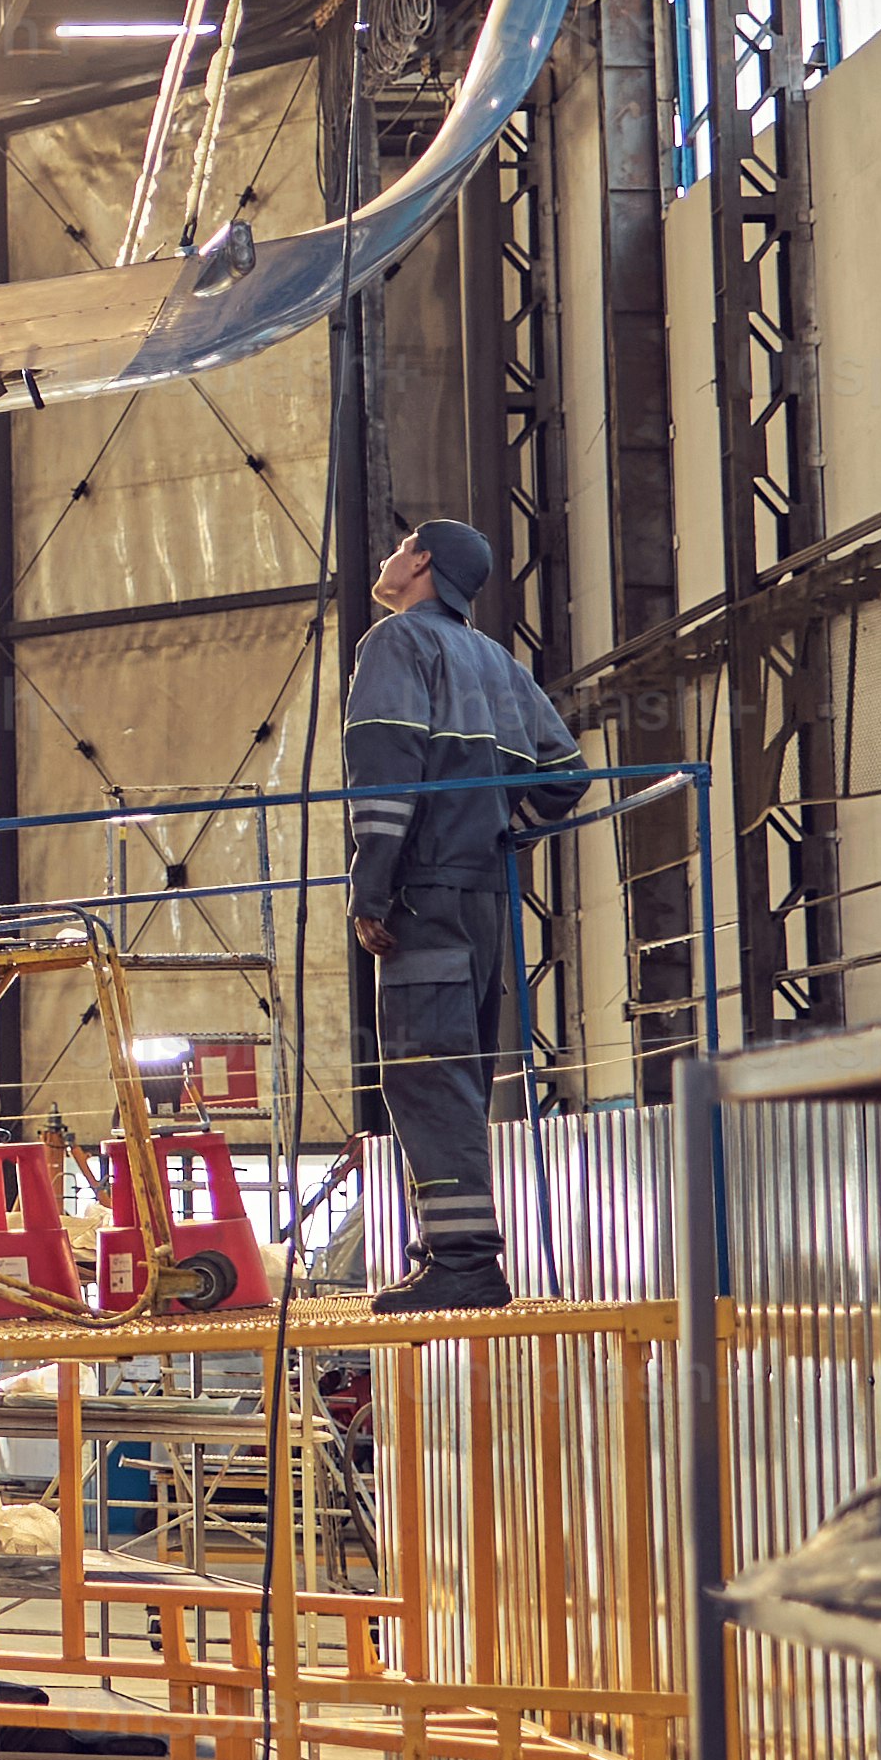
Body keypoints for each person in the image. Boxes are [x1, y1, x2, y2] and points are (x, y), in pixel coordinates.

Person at [344, 514, 575, 1312]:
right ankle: (452, 1251)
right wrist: (500, 838)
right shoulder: (500, 664)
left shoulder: (397, 645)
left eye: (400, 544)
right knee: (460, 1075)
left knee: (426, 1077)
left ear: (423, 563)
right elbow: (566, 777)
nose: (388, 553)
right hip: (484, 900)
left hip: (426, 899)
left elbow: (385, 763)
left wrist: (371, 889)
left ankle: (466, 1261)